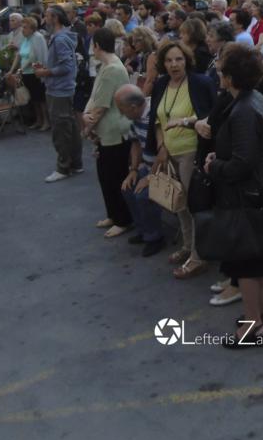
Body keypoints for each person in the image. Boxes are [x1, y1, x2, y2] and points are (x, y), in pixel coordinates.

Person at [204, 43, 263, 348]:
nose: (218, 75)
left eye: (221, 72)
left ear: (231, 78)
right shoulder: (253, 99)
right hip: (258, 196)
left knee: (245, 265)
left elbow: (242, 164)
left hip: (245, 198)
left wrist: (214, 165)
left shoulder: (243, 109)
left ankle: (252, 326)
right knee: (257, 261)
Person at [147, 40, 217, 278]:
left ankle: (198, 257)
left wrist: (187, 123)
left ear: (187, 60)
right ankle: (188, 246)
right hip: (169, 152)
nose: (174, 64)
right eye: (169, 60)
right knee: (177, 203)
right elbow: (158, 120)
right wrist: (161, 146)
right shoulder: (161, 84)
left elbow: (210, 116)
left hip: (192, 152)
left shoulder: (200, 83)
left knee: (193, 205)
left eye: (178, 59)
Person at [83, 28, 134, 237]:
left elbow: (101, 105)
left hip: (114, 131)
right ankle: (113, 214)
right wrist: (87, 116)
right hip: (106, 131)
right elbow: (95, 97)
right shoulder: (107, 65)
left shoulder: (112, 68)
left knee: (114, 177)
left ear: (97, 45)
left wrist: (87, 126)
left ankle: (123, 219)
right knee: (105, 176)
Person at [115, 84, 165, 258]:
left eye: (122, 109)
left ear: (133, 107)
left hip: (163, 169)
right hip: (148, 166)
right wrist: (134, 170)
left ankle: (155, 237)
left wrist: (150, 177)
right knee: (128, 188)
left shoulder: (155, 115)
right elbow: (135, 143)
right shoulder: (136, 117)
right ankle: (144, 230)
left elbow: (163, 153)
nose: (121, 113)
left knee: (143, 195)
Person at [36, 6, 83, 182]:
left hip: (59, 89)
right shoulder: (61, 37)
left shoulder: (60, 39)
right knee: (70, 126)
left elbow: (66, 66)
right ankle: (75, 163)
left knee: (61, 129)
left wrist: (46, 72)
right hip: (63, 88)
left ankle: (64, 167)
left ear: (55, 18)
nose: (44, 19)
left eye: (47, 16)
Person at [10, 17, 49, 131]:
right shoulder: (26, 38)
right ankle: (38, 120)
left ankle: (46, 121)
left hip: (35, 72)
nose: (23, 30)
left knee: (40, 99)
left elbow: (33, 57)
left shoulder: (37, 37)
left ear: (32, 28)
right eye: (22, 27)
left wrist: (20, 70)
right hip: (26, 73)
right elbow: (19, 54)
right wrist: (12, 70)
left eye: (25, 27)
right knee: (33, 99)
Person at [126, 26, 159, 97]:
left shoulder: (153, 55)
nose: (133, 44)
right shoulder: (143, 55)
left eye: (135, 41)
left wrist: (141, 99)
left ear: (144, 40)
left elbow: (150, 81)